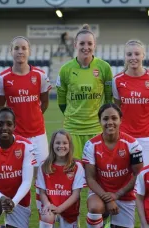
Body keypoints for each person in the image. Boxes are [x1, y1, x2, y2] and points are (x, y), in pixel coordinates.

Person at [0, 36, 51, 228]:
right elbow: (2, 109)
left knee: (42, 180)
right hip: (15, 139)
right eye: (17, 48)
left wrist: (33, 119)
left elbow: (44, 103)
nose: (20, 52)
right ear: (11, 51)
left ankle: (43, 225)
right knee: (14, 180)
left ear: (29, 51)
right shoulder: (2, 78)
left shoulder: (40, 75)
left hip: (37, 135)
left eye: (24, 48)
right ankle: (7, 225)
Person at [82, 103, 143, 228]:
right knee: (95, 209)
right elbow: (90, 178)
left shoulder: (133, 145)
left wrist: (117, 195)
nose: (110, 122)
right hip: (100, 193)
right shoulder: (91, 145)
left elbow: (138, 174)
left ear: (121, 120)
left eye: (114, 118)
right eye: (105, 119)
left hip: (124, 195)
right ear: (100, 121)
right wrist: (109, 199)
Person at [56, 24, 113, 160]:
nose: (85, 47)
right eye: (82, 43)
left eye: (89, 43)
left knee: (97, 169)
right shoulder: (65, 69)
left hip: (96, 129)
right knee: (74, 170)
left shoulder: (104, 68)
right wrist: (73, 117)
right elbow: (61, 100)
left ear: (95, 45)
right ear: (75, 44)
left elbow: (109, 99)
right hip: (72, 129)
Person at [35, 129, 86, 228]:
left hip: (68, 211)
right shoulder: (44, 166)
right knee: (47, 216)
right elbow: (42, 192)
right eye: (57, 143)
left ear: (70, 146)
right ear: (52, 145)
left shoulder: (77, 166)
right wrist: (47, 205)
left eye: (65, 143)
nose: (61, 146)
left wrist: (60, 209)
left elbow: (76, 195)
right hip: (51, 207)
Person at [112, 39, 149, 166]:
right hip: (125, 134)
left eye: (137, 54)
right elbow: (118, 107)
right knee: (127, 172)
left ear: (143, 56)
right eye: (129, 54)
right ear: (124, 57)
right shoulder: (117, 80)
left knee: (148, 172)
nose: (133, 57)